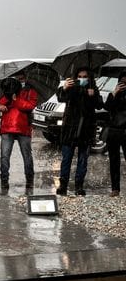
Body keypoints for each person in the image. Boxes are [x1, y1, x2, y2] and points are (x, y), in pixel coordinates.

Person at [55, 67, 103, 196]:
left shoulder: (93, 88)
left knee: (83, 159)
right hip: (70, 128)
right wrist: (64, 88)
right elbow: (60, 98)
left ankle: (79, 185)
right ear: (76, 77)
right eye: (80, 76)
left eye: (85, 76)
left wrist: (92, 96)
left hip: (86, 129)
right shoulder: (70, 87)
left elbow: (99, 105)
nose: (82, 79)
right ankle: (63, 184)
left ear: (89, 77)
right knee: (66, 158)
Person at [0, 71, 37, 191]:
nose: (20, 81)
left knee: (27, 156)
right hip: (7, 127)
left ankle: (29, 180)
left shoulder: (31, 91)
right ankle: (4, 180)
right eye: (17, 78)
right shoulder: (7, 89)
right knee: (4, 156)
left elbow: (30, 106)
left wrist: (16, 99)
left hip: (23, 127)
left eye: (22, 78)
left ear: (26, 78)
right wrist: (0, 105)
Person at [104, 71, 126, 197]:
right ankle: (115, 188)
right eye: (122, 81)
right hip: (114, 131)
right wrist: (114, 93)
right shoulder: (113, 94)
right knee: (114, 160)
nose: (123, 84)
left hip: (125, 130)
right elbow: (107, 107)